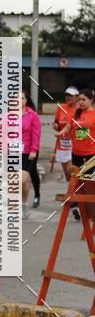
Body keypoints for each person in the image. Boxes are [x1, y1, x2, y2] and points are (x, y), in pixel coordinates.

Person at [61, 87, 95, 220]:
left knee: (87, 181)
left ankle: (86, 209)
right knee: (76, 178)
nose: (80, 102)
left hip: (91, 154)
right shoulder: (77, 113)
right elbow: (68, 127)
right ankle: (77, 205)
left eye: (83, 100)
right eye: (79, 100)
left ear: (91, 100)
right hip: (76, 153)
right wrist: (61, 132)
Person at [52, 86, 79, 183]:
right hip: (63, 144)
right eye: (66, 95)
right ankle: (73, 194)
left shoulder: (80, 109)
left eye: (70, 95)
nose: (68, 97)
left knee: (71, 171)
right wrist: (55, 126)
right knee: (68, 176)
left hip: (76, 144)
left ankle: (75, 195)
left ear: (77, 97)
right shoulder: (61, 107)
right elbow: (57, 123)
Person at [21, 90, 41, 220]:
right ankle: (15, 206)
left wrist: (34, 150)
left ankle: (32, 198)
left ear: (26, 100)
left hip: (28, 152)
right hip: (12, 152)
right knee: (14, 180)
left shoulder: (32, 115)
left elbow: (36, 134)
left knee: (25, 178)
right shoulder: (7, 116)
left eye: (21, 98)